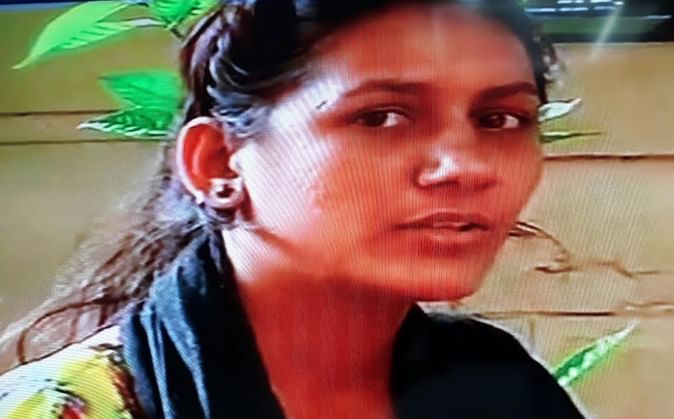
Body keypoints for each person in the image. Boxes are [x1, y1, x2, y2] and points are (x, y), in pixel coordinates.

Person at [0, 0, 590, 418]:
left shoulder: (503, 388)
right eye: (381, 117)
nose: (466, 166)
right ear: (219, 162)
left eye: (500, 119)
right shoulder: (64, 409)